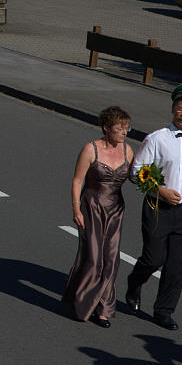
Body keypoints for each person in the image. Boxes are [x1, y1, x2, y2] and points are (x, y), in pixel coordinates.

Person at [125, 82, 182, 331]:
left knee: (176, 264)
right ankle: (135, 282)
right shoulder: (156, 139)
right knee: (153, 258)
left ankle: (163, 311)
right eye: (180, 108)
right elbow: (137, 171)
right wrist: (160, 190)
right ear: (173, 109)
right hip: (157, 207)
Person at [61, 106, 135, 327]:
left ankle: (103, 309)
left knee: (111, 258)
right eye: (119, 128)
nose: (124, 132)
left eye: (126, 128)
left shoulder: (127, 150)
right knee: (93, 258)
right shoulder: (90, 149)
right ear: (106, 128)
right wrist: (76, 209)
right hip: (92, 206)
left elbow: (135, 177)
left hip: (115, 208)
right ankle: (82, 302)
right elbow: (77, 181)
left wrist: (150, 177)